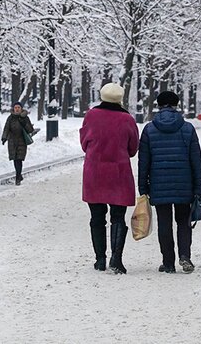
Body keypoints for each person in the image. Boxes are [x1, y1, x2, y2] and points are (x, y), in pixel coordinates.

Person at [138, 90, 201, 273]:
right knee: (183, 221)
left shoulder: (149, 129)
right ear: (176, 105)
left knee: (164, 223)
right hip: (184, 184)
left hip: (159, 185)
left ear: (158, 105)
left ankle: (168, 262)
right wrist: (199, 187)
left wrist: (143, 187)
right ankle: (185, 256)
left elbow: (144, 161)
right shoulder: (188, 128)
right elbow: (196, 160)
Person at [80, 82, 139, 273]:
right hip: (119, 174)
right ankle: (116, 258)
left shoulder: (91, 116)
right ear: (120, 99)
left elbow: (84, 143)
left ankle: (99, 259)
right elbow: (133, 149)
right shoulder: (127, 119)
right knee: (118, 217)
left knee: (96, 217)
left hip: (94, 173)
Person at [2, 102, 35, 185]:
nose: (17, 109)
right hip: (12, 141)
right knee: (15, 159)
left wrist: (24, 123)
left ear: (21, 108)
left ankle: (17, 177)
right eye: (15, 107)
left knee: (19, 159)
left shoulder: (25, 118)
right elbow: (6, 128)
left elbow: (30, 130)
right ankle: (19, 175)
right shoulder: (10, 118)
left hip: (22, 141)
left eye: (18, 107)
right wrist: (4, 137)